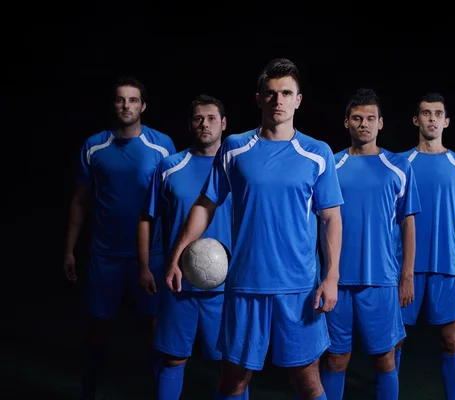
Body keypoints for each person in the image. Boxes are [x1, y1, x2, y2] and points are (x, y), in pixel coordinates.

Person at [164, 58, 343, 400]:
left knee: (307, 382)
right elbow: (205, 205)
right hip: (245, 284)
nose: (279, 101)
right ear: (258, 98)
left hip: (298, 287)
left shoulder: (317, 153)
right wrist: (176, 256)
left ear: (298, 100)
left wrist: (331, 276)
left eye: (286, 93)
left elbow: (331, 218)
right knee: (233, 382)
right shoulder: (234, 148)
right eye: (271, 93)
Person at [63, 77, 176, 400]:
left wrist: (175, 253)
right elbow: (80, 202)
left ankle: (160, 393)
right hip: (105, 255)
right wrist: (69, 250)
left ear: (143, 106)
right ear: (113, 105)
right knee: (97, 330)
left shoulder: (162, 145)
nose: (126, 105)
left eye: (132, 100)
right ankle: (89, 392)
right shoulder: (94, 146)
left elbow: (174, 201)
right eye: (119, 100)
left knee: (155, 332)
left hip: (151, 257)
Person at [319, 88, 421, 400]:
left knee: (384, 358)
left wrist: (407, 274)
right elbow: (320, 222)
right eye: (357, 118)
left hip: (381, 281)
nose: (364, 123)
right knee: (336, 359)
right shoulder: (330, 167)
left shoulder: (399, 166)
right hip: (337, 281)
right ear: (346, 122)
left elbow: (408, 223)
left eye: (370, 118)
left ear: (380, 124)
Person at [137, 94, 234, 399]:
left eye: (211, 118)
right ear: (190, 124)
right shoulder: (170, 166)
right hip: (178, 283)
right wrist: (145, 266)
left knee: (232, 366)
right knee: (173, 359)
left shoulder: (238, 168)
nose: (204, 124)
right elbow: (146, 218)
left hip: (227, 288)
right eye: (197, 118)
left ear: (224, 124)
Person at [395, 92, 455, 400]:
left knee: (450, 341)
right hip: (403, 269)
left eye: (437, 113)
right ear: (416, 119)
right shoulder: (399, 164)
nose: (431, 118)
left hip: (447, 268)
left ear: (446, 122)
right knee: (393, 342)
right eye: (425, 113)